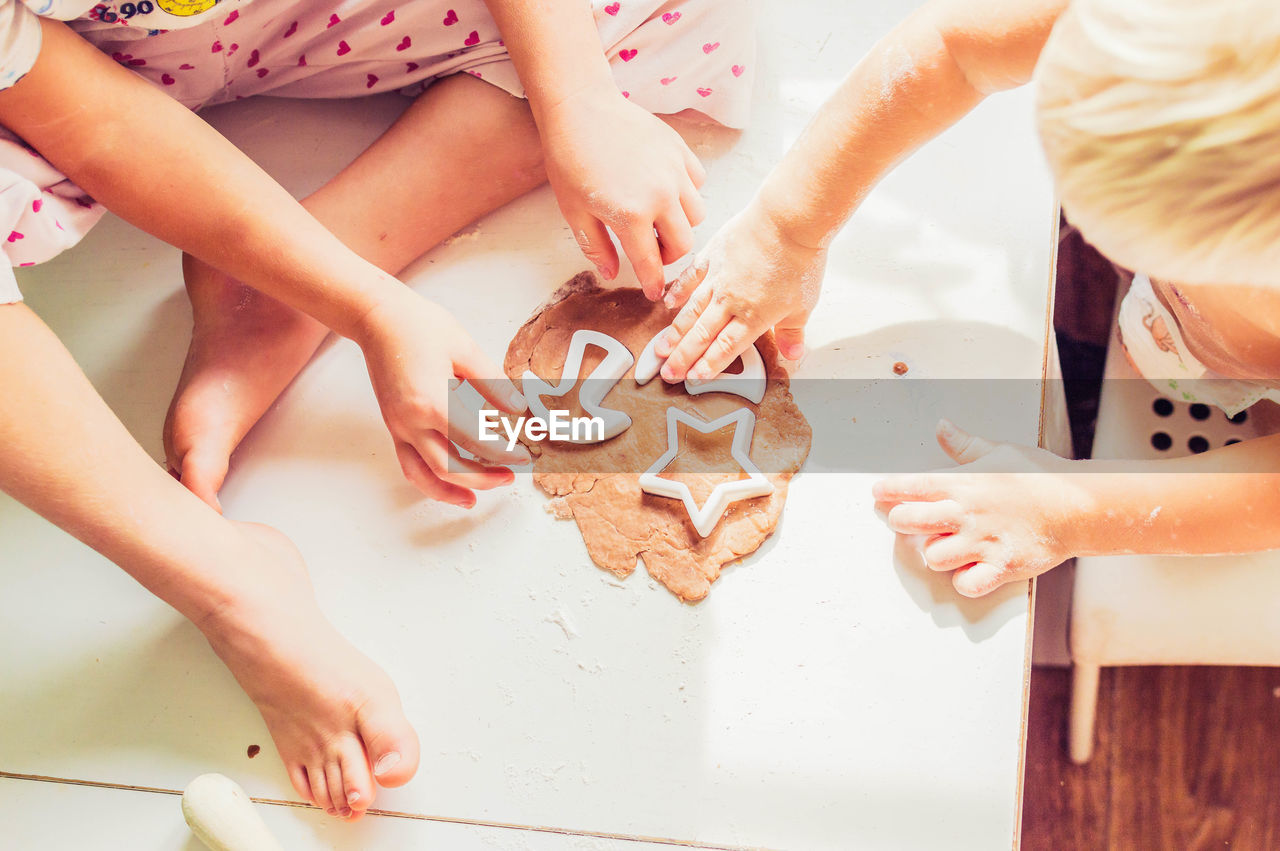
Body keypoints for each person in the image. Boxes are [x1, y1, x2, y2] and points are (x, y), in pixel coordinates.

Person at [0, 0, 750, 819]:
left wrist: (578, 104)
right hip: (69, 68)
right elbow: (93, 118)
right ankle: (225, 580)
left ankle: (276, 285)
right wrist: (373, 311)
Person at [654, 0, 1280, 598]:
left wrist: (1073, 510)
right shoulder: (1169, 24)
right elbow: (955, 47)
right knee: (1159, 350)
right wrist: (785, 228)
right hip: (1210, 310)